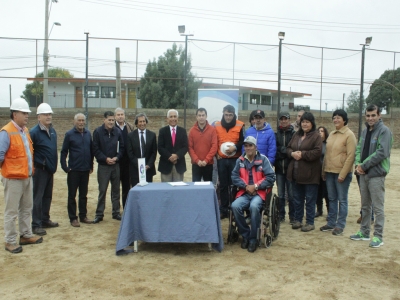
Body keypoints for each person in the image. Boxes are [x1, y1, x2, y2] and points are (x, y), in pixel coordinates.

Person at [0, 98, 43, 254]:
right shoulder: (6, 131)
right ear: (15, 114)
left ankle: (25, 235)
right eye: (24, 113)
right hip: (13, 178)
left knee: (26, 208)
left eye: (27, 113)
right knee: (11, 211)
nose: (27, 116)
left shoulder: (24, 130)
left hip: (26, 176)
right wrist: (6, 172)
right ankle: (10, 241)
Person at [350, 105, 393, 248]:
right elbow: (358, 149)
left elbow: (382, 152)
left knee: (378, 207)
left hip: (376, 174)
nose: (370, 118)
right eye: (368, 115)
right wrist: (358, 164)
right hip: (363, 174)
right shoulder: (364, 131)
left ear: (379, 115)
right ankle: (364, 232)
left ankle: (378, 236)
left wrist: (364, 165)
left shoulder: (384, 131)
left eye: (373, 115)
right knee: (365, 205)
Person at [231, 136, 276, 253]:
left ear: (255, 147)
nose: (248, 148)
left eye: (250, 145)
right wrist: (246, 186)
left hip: (259, 193)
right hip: (244, 192)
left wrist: (256, 186)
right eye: (246, 146)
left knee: (254, 206)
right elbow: (234, 176)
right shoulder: (240, 160)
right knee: (235, 206)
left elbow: (271, 177)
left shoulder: (263, 159)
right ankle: (246, 235)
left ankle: (253, 239)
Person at [320, 110, 356, 236]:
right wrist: (324, 170)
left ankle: (340, 225)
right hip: (329, 172)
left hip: (341, 173)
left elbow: (351, 156)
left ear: (344, 120)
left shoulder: (349, 135)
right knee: (332, 198)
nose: (336, 120)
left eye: (338, 118)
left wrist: (343, 173)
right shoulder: (332, 134)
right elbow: (327, 155)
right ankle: (331, 222)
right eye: (334, 117)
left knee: (342, 200)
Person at [287, 112, 322, 232]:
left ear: (312, 123)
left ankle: (310, 222)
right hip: (296, 174)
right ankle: (298, 220)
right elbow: (288, 147)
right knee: (297, 198)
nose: (305, 124)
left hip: (310, 174)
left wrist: (302, 154)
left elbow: (317, 152)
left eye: (307, 122)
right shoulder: (296, 135)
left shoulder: (316, 136)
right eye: (303, 122)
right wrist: (292, 153)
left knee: (310, 199)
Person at [60, 113, 94, 227]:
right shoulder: (69, 134)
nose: (81, 122)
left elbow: (91, 150)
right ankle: (73, 218)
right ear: (75, 122)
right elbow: (64, 152)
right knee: (72, 195)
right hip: (73, 170)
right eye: (79, 120)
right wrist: (65, 167)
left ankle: (83, 216)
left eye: (83, 120)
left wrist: (91, 165)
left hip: (85, 170)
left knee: (83, 194)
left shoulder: (88, 134)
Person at [30, 102, 58, 236]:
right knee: (38, 197)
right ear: (38, 117)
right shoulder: (34, 132)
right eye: (45, 114)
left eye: (49, 114)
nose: (48, 116)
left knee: (47, 196)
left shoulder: (52, 131)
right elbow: (30, 152)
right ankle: (36, 224)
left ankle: (45, 219)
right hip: (39, 170)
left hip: (49, 170)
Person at [92, 111, 124, 223]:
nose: (111, 122)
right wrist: (105, 159)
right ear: (104, 120)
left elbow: (122, 148)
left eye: (112, 120)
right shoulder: (97, 132)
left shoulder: (118, 132)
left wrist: (117, 158)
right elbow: (95, 149)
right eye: (109, 120)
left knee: (116, 191)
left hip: (115, 165)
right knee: (102, 190)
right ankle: (99, 214)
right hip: (103, 166)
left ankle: (116, 213)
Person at [215, 105, 244, 219]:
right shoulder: (217, 125)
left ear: (234, 115)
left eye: (230, 115)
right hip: (221, 160)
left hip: (234, 160)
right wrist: (216, 154)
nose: (228, 117)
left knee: (234, 184)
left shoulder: (240, 125)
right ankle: (224, 209)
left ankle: (234, 208)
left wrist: (235, 147)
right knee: (223, 185)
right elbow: (214, 141)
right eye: (226, 115)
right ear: (223, 113)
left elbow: (243, 141)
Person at [275, 112, 295, 223]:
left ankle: (292, 216)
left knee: (291, 195)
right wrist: (286, 151)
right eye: (281, 119)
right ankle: (281, 215)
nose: (283, 121)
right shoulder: (275, 133)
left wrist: (284, 151)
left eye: (285, 119)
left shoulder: (294, 134)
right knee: (281, 195)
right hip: (279, 169)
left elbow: (293, 148)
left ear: (289, 120)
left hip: (290, 168)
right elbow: (276, 149)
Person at [126, 113, 157, 186]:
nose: (142, 123)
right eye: (140, 121)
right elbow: (130, 153)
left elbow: (154, 152)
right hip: (135, 170)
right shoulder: (130, 136)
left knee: (147, 192)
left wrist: (149, 165)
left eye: (144, 121)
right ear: (136, 123)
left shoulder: (152, 135)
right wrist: (140, 165)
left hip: (148, 170)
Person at [158, 109, 188, 182]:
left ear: (177, 118)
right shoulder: (162, 131)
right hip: (165, 165)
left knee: (178, 191)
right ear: (167, 119)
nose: (173, 119)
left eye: (175, 116)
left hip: (179, 165)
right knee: (166, 190)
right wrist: (170, 156)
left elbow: (185, 147)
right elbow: (160, 147)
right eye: (171, 117)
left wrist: (176, 156)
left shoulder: (183, 131)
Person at [188, 108, 218, 182]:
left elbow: (214, 146)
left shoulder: (212, 130)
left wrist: (206, 160)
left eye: (203, 115)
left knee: (208, 187)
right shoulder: (192, 131)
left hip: (208, 164)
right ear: (196, 117)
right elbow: (190, 147)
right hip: (196, 164)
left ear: (206, 116)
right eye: (199, 115)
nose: (201, 117)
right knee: (195, 187)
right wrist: (197, 160)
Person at [114, 108, 134, 208]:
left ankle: (126, 208)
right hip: (116, 162)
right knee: (116, 187)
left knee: (126, 186)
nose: (120, 116)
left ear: (124, 115)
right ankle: (116, 209)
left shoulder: (130, 127)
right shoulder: (112, 127)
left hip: (128, 162)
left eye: (122, 114)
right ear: (115, 116)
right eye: (118, 114)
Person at [315, 126, 330, 217]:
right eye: (318, 131)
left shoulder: (328, 144)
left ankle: (329, 211)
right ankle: (319, 210)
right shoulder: (315, 144)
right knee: (318, 192)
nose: (320, 132)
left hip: (325, 171)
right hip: (316, 171)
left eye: (322, 131)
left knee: (327, 192)